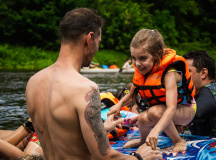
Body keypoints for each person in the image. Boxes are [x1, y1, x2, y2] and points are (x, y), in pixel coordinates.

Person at [25, 8, 162, 160]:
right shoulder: (85, 89)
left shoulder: (33, 82)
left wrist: (102, 129)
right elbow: (103, 156)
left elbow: (65, 135)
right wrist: (138, 157)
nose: (97, 47)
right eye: (98, 42)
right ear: (90, 38)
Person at [107, 29, 197, 154]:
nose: (137, 64)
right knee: (143, 117)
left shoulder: (169, 74)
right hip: (162, 110)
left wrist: (155, 132)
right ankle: (143, 142)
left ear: (158, 55)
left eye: (143, 58)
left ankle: (178, 140)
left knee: (155, 111)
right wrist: (118, 105)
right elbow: (132, 95)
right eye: (134, 58)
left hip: (185, 110)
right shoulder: (142, 72)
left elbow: (171, 107)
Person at [182, 50, 216, 137]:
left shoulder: (215, 90)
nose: (182, 76)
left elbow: (198, 112)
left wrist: (179, 121)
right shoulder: (190, 94)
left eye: (187, 71)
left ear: (203, 73)